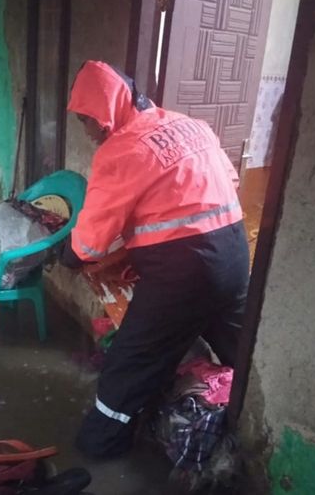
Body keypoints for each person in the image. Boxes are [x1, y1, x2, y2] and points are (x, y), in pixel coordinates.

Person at [59, 61, 249, 458]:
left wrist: (66, 256)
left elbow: (90, 244)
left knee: (130, 362)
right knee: (241, 350)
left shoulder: (121, 151)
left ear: (105, 114)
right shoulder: (191, 125)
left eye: (86, 121)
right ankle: (250, 440)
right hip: (234, 254)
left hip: (183, 275)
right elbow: (227, 184)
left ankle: (99, 449)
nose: (87, 133)